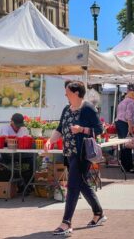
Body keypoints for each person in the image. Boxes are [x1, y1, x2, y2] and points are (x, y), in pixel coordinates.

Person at [45, 81, 105, 236]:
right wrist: (50, 141)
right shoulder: (66, 109)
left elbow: (99, 129)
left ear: (77, 93)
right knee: (82, 184)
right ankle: (98, 213)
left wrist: (82, 129)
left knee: (72, 186)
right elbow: (60, 128)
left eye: (68, 92)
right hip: (70, 153)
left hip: (82, 154)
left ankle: (66, 223)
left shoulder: (87, 108)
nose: (65, 95)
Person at [115, 91, 134, 173]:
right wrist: (130, 127)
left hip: (118, 122)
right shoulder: (132, 102)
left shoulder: (122, 102)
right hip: (124, 123)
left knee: (122, 145)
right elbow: (129, 116)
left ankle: (123, 166)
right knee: (127, 144)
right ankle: (129, 167)